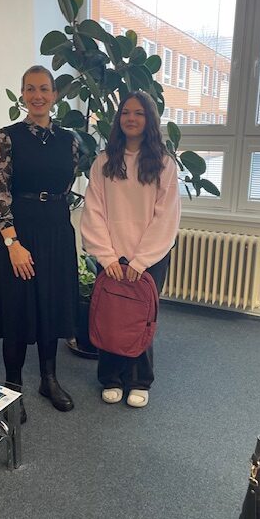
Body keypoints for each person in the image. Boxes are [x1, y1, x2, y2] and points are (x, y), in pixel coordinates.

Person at [0, 65, 79, 422]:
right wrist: (12, 243)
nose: (37, 95)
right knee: (17, 309)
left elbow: (66, 186)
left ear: (54, 95)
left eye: (44, 88)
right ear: (23, 95)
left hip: (56, 232)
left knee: (50, 306)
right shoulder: (7, 137)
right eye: (30, 89)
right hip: (18, 235)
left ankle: (48, 379)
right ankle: (12, 389)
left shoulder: (69, 140)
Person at [80, 91, 181, 408]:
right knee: (111, 317)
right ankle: (111, 378)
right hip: (111, 256)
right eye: (125, 112)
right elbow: (94, 210)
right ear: (118, 119)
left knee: (140, 319)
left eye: (138, 113)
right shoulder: (104, 162)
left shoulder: (164, 164)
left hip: (149, 259)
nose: (131, 118)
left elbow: (166, 216)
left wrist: (141, 261)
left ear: (149, 119)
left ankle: (139, 380)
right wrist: (106, 256)